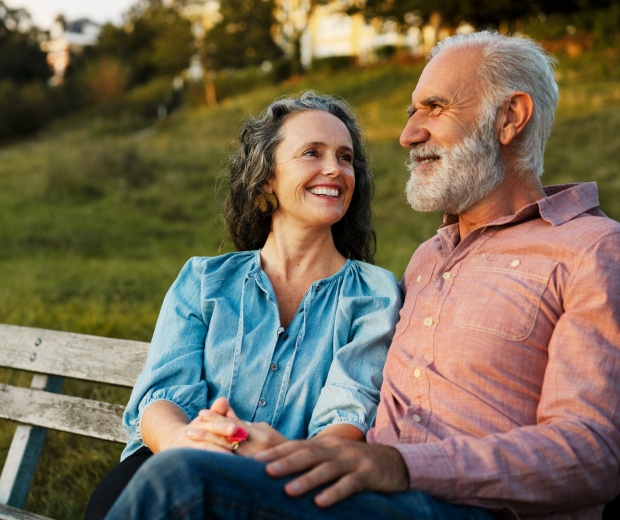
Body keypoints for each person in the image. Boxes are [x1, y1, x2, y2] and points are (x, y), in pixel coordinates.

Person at [104, 31, 620, 520]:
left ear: (510, 118)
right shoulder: (429, 260)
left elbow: (593, 453)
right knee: (167, 478)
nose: (407, 133)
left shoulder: (591, 250)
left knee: (184, 484)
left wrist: (394, 465)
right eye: (411, 111)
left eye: (434, 108)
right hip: (361, 495)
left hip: (458, 505)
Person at [85, 91, 402, 518]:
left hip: (287, 479)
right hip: (173, 461)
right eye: (312, 152)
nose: (335, 169)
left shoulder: (373, 293)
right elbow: (160, 397)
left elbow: (347, 419)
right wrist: (184, 444)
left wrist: (269, 452)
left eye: (345, 158)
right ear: (267, 177)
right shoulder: (204, 280)